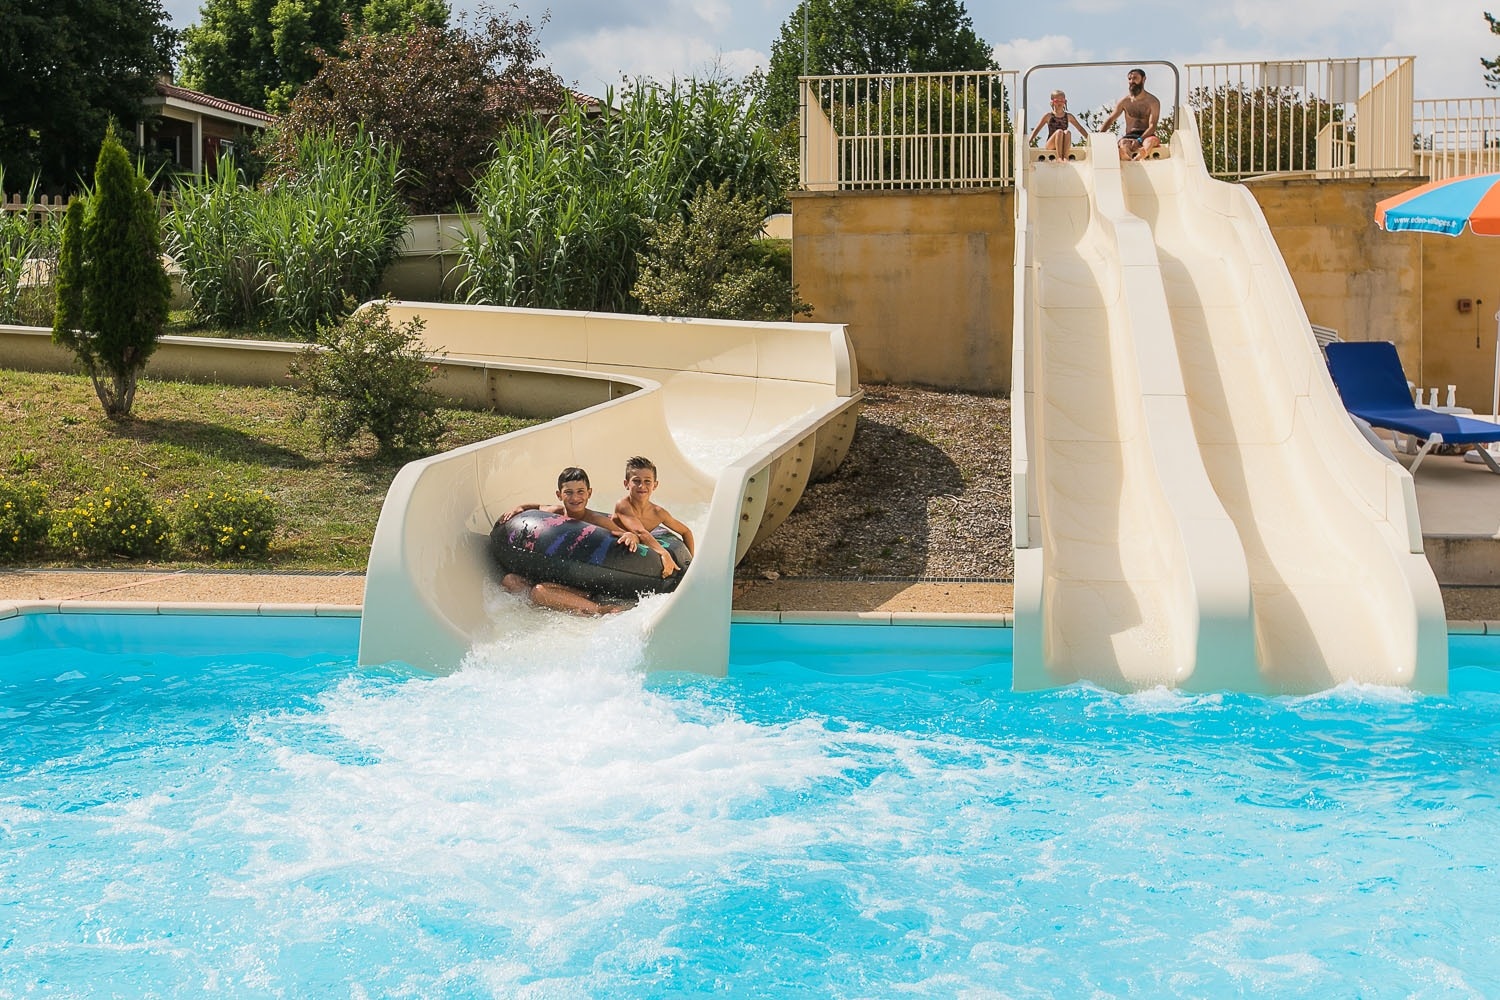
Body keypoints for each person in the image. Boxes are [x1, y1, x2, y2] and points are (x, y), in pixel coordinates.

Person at [499, 467, 639, 615]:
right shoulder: (555, 513)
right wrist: (520, 507)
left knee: (539, 592)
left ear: (589, 493)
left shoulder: (595, 521)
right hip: (556, 574)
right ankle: (556, 600)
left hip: (581, 580)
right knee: (510, 581)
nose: (575, 498)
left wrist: (632, 536)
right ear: (559, 495)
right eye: (568, 492)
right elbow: (537, 507)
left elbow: (626, 534)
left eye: (580, 491)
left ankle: (599, 608)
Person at [612, 456, 695, 579]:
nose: (642, 486)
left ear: (655, 485)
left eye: (647, 481)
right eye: (636, 481)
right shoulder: (623, 505)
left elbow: (686, 531)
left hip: (638, 550)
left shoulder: (658, 513)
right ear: (626, 484)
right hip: (616, 550)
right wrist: (664, 554)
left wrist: (691, 562)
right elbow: (640, 532)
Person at [1101, 67, 1163, 161]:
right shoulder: (1124, 101)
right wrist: (1098, 136)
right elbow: (1110, 120)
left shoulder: (1153, 102)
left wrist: (1139, 140)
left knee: (1150, 141)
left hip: (1147, 135)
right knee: (1123, 143)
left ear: (1144, 79)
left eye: (1135, 78)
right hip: (1130, 135)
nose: (1131, 81)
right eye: (1129, 79)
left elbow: (1152, 126)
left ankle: (1141, 155)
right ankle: (1126, 157)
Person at [1028, 90, 1086, 161]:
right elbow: (1037, 129)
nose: (1059, 103)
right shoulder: (1048, 116)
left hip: (1063, 145)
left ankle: (1065, 157)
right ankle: (1059, 158)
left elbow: (1080, 128)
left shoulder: (1068, 116)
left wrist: (1089, 139)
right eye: (1057, 100)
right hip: (1051, 145)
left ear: (1065, 102)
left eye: (1061, 100)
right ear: (1052, 102)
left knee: (1067, 132)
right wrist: (1029, 141)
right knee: (1059, 132)